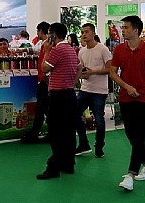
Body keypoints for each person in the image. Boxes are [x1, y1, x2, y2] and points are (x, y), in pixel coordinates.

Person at [109, 15, 145, 192]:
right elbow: (112, 72)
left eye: (126, 27)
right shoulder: (119, 50)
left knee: (139, 137)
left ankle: (130, 175)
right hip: (125, 98)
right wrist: (127, 87)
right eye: (122, 27)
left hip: (143, 99)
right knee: (132, 136)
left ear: (135, 30)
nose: (122, 30)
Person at [36, 22, 80, 179]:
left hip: (58, 96)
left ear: (53, 34)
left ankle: (53, 167)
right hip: (69, 94)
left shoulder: (56, 50)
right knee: (68, 131)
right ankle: (68, 164)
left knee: (55, 132)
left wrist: (47, 51)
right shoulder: (70, 49)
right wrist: (72, 82)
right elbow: (79, 67)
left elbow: (44, 68)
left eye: (49, 33)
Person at [74, 23, 112, 158]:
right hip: (85, 88)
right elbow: (80, 69)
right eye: (82, 32)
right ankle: (83, 143)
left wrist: (93, 72)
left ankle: (99, 146)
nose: (84, 34)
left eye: (86, 32)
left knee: (99, 120)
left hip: (99, 91)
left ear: (93, 33)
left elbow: (110, 69)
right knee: (74, 114)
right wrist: (80, 77)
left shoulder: (103, 49)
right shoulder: (82, 51)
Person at [21, 21, 51, 143]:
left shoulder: (49, 45)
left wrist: (46, 76)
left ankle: (38, 133)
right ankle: (38, 132)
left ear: (41, 31)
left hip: (46, 80)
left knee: (43, 107)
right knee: (42, 107)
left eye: (38, 31)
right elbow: (35, 51)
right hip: (43, 79)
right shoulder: (43, 44)